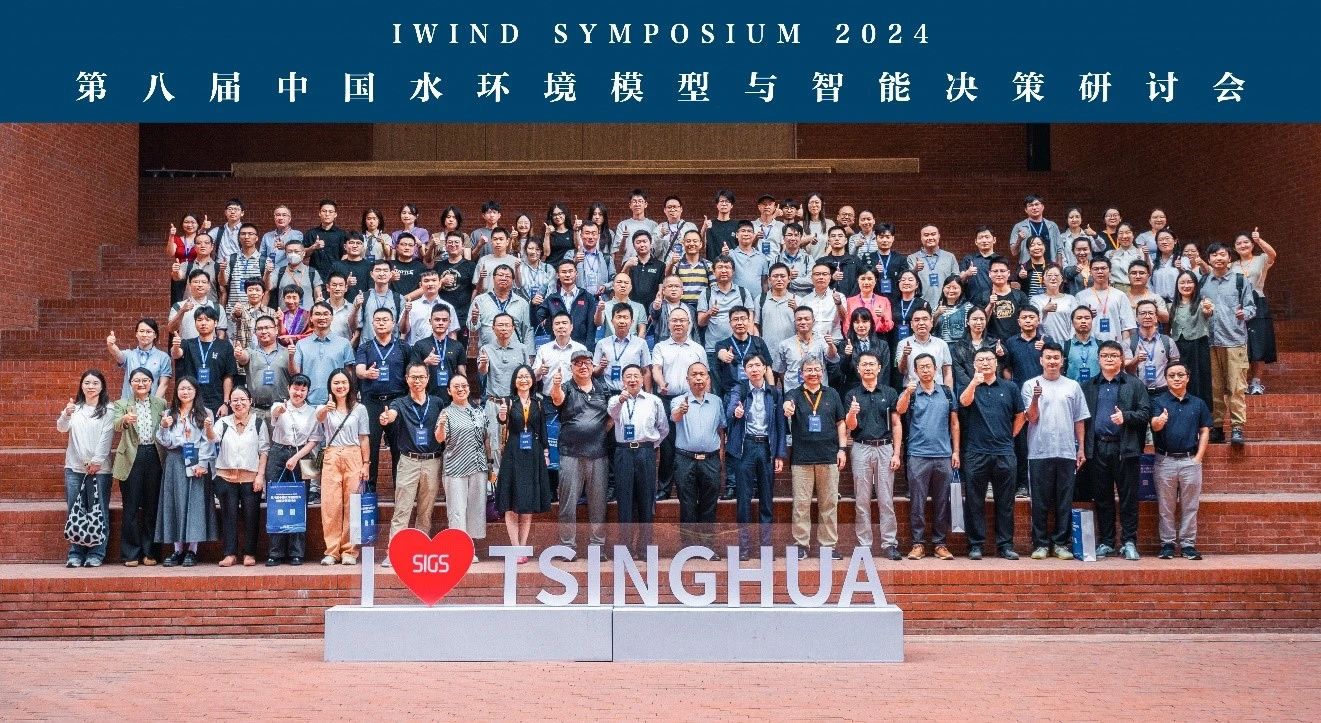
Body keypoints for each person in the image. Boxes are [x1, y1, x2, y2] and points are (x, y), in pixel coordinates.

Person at [1082, 341, 1152, 560]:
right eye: (1105, 355)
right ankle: (1106, 542)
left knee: (1128, 497)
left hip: (1126, 448)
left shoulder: (1134, 384)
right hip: (1097, 448)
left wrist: (1126, 417)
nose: (1109, 359)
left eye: (1114, 355)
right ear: (1098, 359)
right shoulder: (1089, 386)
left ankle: (1129, 541)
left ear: (1122, 359)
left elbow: (1145, 413)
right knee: (1102, 497)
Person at [1022, 343, 1089, 560]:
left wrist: (1081, 448)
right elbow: (1031, 418)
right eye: (1048, 357)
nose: (1052, 361)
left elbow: (1079, 419)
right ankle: (1040, 544)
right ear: (1041, 360)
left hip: (1067, 451)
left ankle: (1061, 543)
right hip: (1039, 451)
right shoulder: (1030, 385)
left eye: (1056, 358)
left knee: (1064, 501)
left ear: (1062, 361)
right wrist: (1035, 398)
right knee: (1039, 501)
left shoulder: (1072, 386)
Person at [958, 348, 1025, 560]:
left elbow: (1020, 415)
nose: (985, 363)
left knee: (1005, 502)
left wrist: (1009, 436)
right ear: (974, 364)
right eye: (980, 360)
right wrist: (974, 383)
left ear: (996, 363)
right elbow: (964, 402)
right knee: (974, 501)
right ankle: (975, 545)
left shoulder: (1010, 387)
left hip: (1004, 452)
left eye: (989, 359)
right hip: (975, 452)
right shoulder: (969, 386)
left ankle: (1005, 545)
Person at [379, 364, 446, 566]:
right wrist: (387, 417)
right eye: (413, 377)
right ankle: (394, 553)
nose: (417, 381)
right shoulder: (400, 403)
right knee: (402, 509)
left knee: (426, 510)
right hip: (408, 461)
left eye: (421, 377)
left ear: (428, 378)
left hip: (432, 461)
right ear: (407, 379)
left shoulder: (437, 403)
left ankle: (420, 551)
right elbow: (392, 414)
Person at [895, 354, 961, 560]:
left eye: (929, 366)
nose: (925, 370)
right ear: (915, 371)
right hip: (917, 455)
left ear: (936, 368)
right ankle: (918, 544)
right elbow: (899, 410)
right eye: (921, 367)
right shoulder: (912, 393)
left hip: (943, 455)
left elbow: (954, 423)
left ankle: (940, 544)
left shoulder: (947, 392)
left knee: (942, 502)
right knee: (917, 502)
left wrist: (956, 451)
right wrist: (907, 392)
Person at [783, 357, 848, 560]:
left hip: (829, 456)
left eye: (816, 369)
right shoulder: (794, 394)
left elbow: (840, 423)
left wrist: (842, 449)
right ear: (801, 373)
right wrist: (787, 408)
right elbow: (787, 404)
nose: (813, 373)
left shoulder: (832, 394)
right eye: (808, 370)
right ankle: (801, 545)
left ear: (822, 372)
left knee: (829, 504)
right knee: (801, 505)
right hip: (801, 459)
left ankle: (828, 546)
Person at [306, 370, 370, 566]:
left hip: (353, 455)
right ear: (330, 386)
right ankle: (332, 551)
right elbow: (318, 418)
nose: (340, 386)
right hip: (332, 455)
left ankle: (350, 550)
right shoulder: (324, 408)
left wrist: (366, 464)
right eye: (336, 383)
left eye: (344, 382)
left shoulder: (360, 409)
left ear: (350, 385)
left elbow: (364, 437)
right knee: (331, 505)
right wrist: (326, 409)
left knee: (353, 504)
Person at [842, 352, 903, 560]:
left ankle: (889, 543)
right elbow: (851, 427)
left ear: (879, 368)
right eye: (864, 365)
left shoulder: (889, 392)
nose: (868, 368)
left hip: (885, 448)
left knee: (886, 499)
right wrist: (852, 413)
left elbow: (896, 424)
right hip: (861, 448)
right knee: (862, 500)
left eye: (872, 364)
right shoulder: (852, 394)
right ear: (858, 369)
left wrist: (896, 453)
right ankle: (864, 544)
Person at [550, 350, 612, 553]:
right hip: (571, 454)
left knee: (598, 504)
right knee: (567, 503)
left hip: (598, 454)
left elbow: (613, 415)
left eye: (586, 362)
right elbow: (557, 400)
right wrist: (556, 385)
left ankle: (597, 547)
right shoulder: (566, 387)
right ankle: (567, 546)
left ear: (593, 366)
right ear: (571, 367)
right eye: (578, 363)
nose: (583, 366)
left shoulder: (603, 388)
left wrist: (599, 431)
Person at [725, 354, 785, 560]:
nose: (754, 369)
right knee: (743, 500)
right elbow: (730, 411)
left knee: (767, 500)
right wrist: (736, 412)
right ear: (745, 370)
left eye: (758, 365)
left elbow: (780, 426)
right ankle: (744, 548)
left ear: (765, 368)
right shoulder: (740, 390)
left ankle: (766, 548)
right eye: (750, 366)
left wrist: (779, 454)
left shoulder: (774, 393)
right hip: (746, 448)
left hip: (767, 447)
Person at [1150, 362, 1212, 561]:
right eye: (1172, 375)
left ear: (1188, 378)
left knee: (1190, 506)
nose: (1176, 378)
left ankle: (1188, 545)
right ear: (1166, 379)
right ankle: (1167, 544)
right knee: (1165, 507)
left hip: (1190, 461)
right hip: (1165, 461)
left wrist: (1198, 458)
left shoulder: (1198, 403)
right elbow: (1154, 425)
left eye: (1180, 375)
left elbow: (1204, 431)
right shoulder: (1158, 402)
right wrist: (1159, 422)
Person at [155, 376, 217, 568]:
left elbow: (208, 440)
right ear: (177, 392)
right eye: (182, 388)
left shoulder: (205, 413)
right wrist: (163, 427)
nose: (185, 392)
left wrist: (203, 463)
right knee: (176, 503)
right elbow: (164, 442)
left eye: (189, 388)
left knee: (195, 504)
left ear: (196, 391)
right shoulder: (169, 413)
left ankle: (192, 549)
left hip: (197, 459)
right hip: (175, 460)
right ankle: (177, 549)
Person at [608, 364, 669, 556]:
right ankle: (625, 548)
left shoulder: (654, 401)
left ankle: (644, 548)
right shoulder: (615, 400)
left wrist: (650, 446)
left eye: (636, 376)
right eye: (628, 376)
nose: (632, 379)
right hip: (623, 453)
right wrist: (621, 399)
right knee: (624, 501)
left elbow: (663, 428)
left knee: (646, 500)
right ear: (623, 381)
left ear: (643, 380)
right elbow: (612, 414)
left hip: (645, 452)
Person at [56, 370, 116, 568]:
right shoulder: (75, 408)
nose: (91, 386)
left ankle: (96, 553)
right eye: (87, 383)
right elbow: (61, 428)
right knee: (75, 510)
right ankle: (76, 553)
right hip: (74, 468)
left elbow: (106, 438)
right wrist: (66, 414)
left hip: (100, 470)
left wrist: (96, 461)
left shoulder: (109, 409)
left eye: (95, 383)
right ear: (81, 386)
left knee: (98, 511)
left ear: (102, 386)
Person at [493, 365, 553, 559]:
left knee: (527, 502)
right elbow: (502, 422)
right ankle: (515, 547)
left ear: (532, 380)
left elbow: (543, 429)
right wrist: (502, 415)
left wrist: (546, 452)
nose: (524, 380)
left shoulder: (538, 402)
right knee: (511, 503)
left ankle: (523, 547)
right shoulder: (508, 401)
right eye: (520, 377)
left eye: (527, 376)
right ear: (514, 381)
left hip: (533, 453)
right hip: (513, 452)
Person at [111, 368, 168, 566]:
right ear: (130, 383)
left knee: (152, 505)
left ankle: (150, 552)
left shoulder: (160, 403)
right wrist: (124, 420)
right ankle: (131, 553)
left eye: (145, 380)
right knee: (131, 506)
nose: (141, 384)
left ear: (152, 383)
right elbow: (115, 425)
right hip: (131, 456)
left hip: (154, 454)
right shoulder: (121, 404)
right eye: (136, 380)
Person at [207, 387, 269, 568]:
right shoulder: (223, 422)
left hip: (251, 478)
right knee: (228, 517)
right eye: (234, 400)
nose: (238, 403)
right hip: (226, 477)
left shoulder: (259, 423)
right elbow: (213, 438)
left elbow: (264, 451)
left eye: (242, 399)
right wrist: (208, 428)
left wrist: (260, 476)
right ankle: (230, 554)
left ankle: (249, 553)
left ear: (250, 402)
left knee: (251, 516)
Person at [1202, 242, 1256, 445]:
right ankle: (1217, 428)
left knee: (1236, 387)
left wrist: (1245, 313)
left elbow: (1251, 307)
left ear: (1229, 258)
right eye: (1214, 255)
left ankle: (1237, 428)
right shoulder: (1203, 281)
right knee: (1214, 388)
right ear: (1209, 259)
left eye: (1222, 254)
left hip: (1235, 341)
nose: (1218, 258)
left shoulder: (1240, 281)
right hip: (1211, 342)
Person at [650, 307, 706, 501]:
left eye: (682, 320)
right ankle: (664, 488)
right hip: (667, 399)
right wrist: (660, 383)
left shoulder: (698, 349)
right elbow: (656, 369)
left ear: (689, 324)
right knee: (667, 446)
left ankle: (692, 488)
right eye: (674, 320)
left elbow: (705, 375)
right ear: (668, 324)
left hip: (693, 400)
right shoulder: (660, 347)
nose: (678, 324)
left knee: (692, 443)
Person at [670, 362, 725, 554]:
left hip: (710, 460)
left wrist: (721, 457)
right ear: (688, 379)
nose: (699, 378)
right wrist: (681, 410)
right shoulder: (678, 401)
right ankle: (689, 549)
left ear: (708, 378)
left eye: (702, 374)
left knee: (710, 504)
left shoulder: (716, 401)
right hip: (685, 460)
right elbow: (675, 417)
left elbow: (721, 429)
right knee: (687, 505)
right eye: (694, 374)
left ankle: (707, 548)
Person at [265, 374, 317, 566]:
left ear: (307, 392)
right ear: (289, 388)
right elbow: (275, 414)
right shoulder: (279, 405)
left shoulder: (312, 412)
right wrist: (280, 410)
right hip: (278, 453)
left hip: (300, 454)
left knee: (298, 502)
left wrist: (295, 458)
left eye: (303, 390)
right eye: (296, 388)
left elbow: (313, 440)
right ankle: (275, 552)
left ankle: (297, 552)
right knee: (276, 500)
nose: (299, 392)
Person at [355, 308, 408, 492]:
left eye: (385, 319)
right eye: (377, 320)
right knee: (371, 447)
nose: (381, 323)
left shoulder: (403, 347)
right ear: (372, 324)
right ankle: (369, 492)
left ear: (393, 323)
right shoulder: (365, 347)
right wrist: (366, 373)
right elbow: (359, 370)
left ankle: (400, 491)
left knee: (398, 448)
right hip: (372, 402)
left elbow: (410, 372)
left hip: (397, 402)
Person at [478, 314, 529, 481]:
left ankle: (516, 481)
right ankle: (496, 483)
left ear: (513, 328)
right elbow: (482, 373)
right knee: (494, 444)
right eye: (500, 325)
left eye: (507, 325)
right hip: (494, 402)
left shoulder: (522, 349)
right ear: (493, 328)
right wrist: (483, 364)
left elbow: (527, 375)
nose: (504, 328)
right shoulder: (486, 349)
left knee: (517, 441)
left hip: (516, 403)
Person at [1232, 229, 1277, 395]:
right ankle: (1242, 382)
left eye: (1246, 242)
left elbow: (1272, 254)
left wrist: (1259, 240)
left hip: (1258, 301)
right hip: (1238, 305)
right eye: (1238, 243)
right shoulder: (1232, 265)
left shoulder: (1261, 259)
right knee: (1241, 343)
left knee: (1259, 342)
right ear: (1234, 248)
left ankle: (1256, 382)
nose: (1242, 245)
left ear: (1252, 245)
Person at [698, 257, 757, 383]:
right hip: (713, 349)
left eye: (727, 267)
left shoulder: (743, 292)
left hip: (738, 348)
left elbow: (750, 322)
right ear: (713, 271)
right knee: (716, 387)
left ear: (733, 271)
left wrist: (748, 345)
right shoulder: (706, 293)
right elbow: (700, 322)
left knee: (740, 386)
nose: (723, 270)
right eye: (720, 267)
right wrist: (709, 313)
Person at [172, 305, 236, 415]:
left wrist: (226, 403)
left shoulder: (225, 346)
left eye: (208, 319)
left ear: (215, 323)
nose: (203, 323)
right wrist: (176, 346)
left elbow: (228, 376)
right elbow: (176, 354)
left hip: (216, 402)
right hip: (190, 402)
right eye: (199, 320)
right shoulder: (187, 343)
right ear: (195, 323)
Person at [291, 301, 356, 406]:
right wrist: (291, 356)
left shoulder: (344, 343)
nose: (322, 317)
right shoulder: (301, 344)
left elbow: (349, 374)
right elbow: (295, 373)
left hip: (336, 403)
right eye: (317, 314)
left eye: (326, 314)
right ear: (311, 318)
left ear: (332, 317)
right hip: (308, 404)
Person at [1169, 270, 1214, 411]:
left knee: (1199, 381)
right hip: (1178, 348)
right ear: (1177, 285)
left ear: (1195, 285)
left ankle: (1201, 414)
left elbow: (1208, 311)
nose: (1186, 285)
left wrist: (1208, 309)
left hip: (1198, 347)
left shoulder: (1202, 303)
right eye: (1182, 282)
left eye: (1190, 282)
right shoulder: (1172, 305)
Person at [774, 306, 842, 393]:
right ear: (795, 322)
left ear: (813, 321)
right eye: (799, 319)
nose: (803, 322)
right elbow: (781, 370)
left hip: (818, 391)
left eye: (807, 319)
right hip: (793, 391)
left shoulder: (822, 340)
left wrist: (831, 345)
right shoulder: (785, 345)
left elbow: (832, 357)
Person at [234, 315, 291, 417]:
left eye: (267, 328)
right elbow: (243, 358)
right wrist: (239, 354)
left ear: (276, 330)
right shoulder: (251, 352)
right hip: (256, 410)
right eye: (259, 329)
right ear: (255, 333)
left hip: (281, 409)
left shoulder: (287, 353)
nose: (263, 331)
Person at [410, 305, 467, 404]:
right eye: (437, 320)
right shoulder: (420, 345)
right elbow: (411, 373)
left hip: (451, 398)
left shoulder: (457, 346)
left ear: (449, 322)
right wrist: (425, 363)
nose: (441, 323)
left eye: (444, 320)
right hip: (426, 398)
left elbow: (462, 373)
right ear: (430, 321)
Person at [106, 318, 173, 400]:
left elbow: (164, 384)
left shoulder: (163, 357)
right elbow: (118, 355)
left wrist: (155, 404)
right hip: (128, 404)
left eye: (148, 332)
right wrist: (111, 345)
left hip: (152, 404)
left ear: (155, 335)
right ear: (136, 334)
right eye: (141, 331)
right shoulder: (129, 355)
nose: (144, 335)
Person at [1125, 300, 1180, 395]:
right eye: (1143, 313)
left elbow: (1175, 369)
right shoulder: (1129, 342)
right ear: (1137, 318)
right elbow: (1127, 370)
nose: (1147, 316)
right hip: (1138, 393)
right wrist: (1136, 360)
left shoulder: (1168, 341)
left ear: (1156, 317)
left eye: (1150, 313)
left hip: (1163, 392)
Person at [538, 260, 597, 349]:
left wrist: (588, 349)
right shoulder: (552, 299)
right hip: (558, 347)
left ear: (576, 274)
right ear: (557, 275)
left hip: (581, 347)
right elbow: (538, 317)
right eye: (564, 272)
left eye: (570, 271)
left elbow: (591, 326)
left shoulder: (587, 297)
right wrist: (534, 305)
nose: (567, 275)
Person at [594, 304, 653, 392]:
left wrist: (648, 395)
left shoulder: (641, 343)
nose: (622, 321)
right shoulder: (602, 343)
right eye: (618, 317)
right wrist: (601, 367)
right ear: (612, 321)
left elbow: (646, 371)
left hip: (632, 392)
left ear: (632, 322)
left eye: (625, 317)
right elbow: (594, 372)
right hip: (608, 392)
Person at [1076, 258, 1135, 344]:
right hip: (1089, 345)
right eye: (1096, 269)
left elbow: (1127, 326)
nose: (1100, 271)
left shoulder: (1120, 295)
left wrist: (1124, 346)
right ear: (1090, 272)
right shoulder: (1081, 296)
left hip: (1114, 345)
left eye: (1103, 268)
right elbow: (1075, 325)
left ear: (1110, 271)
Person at [894, 308, 953, 388]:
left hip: (938, 390)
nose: (921, 323)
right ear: (911, 324)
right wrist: (905, 355)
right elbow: (902, 371)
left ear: (931, 322)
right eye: (917, 320)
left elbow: (947, 372)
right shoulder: (903, 344)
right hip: (912, 390)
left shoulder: (942, 344)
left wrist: (949, 393)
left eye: (925, 319)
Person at [533, 312, 589, 397]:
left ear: (571, 327)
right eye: (557, 324)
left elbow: (587, 375)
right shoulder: (543, 349)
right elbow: (533, 376)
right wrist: (539, 371)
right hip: (549, 398)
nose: (561, 326)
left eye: (564, 323)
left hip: (575, 398)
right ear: (553, 328)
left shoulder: (581, 349)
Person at [838, 308, 891, 393]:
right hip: (854, 390)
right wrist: (847, 356)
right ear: (852, 325)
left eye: (864, 321)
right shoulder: (844, 345)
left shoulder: (882, 345)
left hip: (878, 390)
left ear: (871, 323)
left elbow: (885, 371)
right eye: (857, 322)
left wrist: (876, 388)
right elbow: (843, 371)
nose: (861, 325)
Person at [908, 225, 961, 309]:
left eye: (933, 234)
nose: (930, 238)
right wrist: (915, 270)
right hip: (921, 305)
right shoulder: (912, 258)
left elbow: (957, 281)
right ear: (921, 238)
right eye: (926, 235)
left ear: (939, 236)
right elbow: (908, 282)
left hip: (946, 305)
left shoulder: (949, 257)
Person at [168, 270, 229, 341]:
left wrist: (216, 346)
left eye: (204, 282)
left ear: (209, 286)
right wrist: (182, 311)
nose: (200, 285)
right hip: (186, 346)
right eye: (196, 282)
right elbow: (171, 329)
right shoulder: (178, 306)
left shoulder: (217, 307)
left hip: (210, 347)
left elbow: (221, 333)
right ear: (189, 285)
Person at [264, 239, 323, 311]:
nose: (293, 254)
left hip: (307, 315)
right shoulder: (279, 272)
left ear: (303, 253)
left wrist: (318, 304)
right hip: (284, 315)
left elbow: (318, 295)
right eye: (289, 252)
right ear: (286, 254)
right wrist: (267, 273)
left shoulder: (312, 272)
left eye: (296, 251)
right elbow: (268, 287)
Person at [227, 279, 278, 363]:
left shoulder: (271, 312)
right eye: (250, 290)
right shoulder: (240, 309)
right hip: (243, 353)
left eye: (257, 290)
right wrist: (237, 312)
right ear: (246, 292)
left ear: (263, 293)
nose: (254, 293)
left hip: (266, 355)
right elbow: (234, 317)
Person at [951, 307, 998, 391]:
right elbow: (960, 374)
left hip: (992, 389)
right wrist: (974, 386)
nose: (978, 322)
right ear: (967, 322)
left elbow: (1001, 368)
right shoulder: (958, 347)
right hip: (968, 390)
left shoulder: (994, 343)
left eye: (982, 319)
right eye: (975, 319)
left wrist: (1002, 354)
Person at [1009, 195, 1066, 265]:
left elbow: (1059, 249)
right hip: (1028, 268)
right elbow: (1014, 252)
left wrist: (1059, 266)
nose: (1034, 208)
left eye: (1037, 204)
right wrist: (1019, 240)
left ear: (1043, 207)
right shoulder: (1019, 227)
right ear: (1026, 210)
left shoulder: (1052, 226)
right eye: (1030, 205)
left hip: (1049, 267)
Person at [303, 199, 347, 285]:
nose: (327, 214)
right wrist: (313, 247)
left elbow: (345, 254)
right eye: (324, 211)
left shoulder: (342, 234)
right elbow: (303, 255)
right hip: (314, 275)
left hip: (335, 277)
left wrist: (339, 270)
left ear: (335, 214)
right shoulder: (311, 233)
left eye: (330, 212)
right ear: (319, 213)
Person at [1030, 267, 1078, 345]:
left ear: (1062, 279)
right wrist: (1044, 311)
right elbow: (1032, 322)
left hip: (1067, 343)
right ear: (1043, 279)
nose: (1053, 278)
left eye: (1056, 275)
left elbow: (1075, 322)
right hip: (1044, 345)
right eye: (1049, 275)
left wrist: (1071, 341)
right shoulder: (1035, 299)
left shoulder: (1070, 299)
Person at [984, 258, 1028, 342]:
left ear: (1008, 273)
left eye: (1002, 271)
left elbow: (1027, 319)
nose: (999, 274)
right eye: (995, 271)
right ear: (989, 274)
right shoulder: (983, 296)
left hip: (1016, 342)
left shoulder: (1020, 295)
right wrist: (990, 305)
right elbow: (979, 321)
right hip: (991, 343)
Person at [845, 268, 896, 341]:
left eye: (870, 279)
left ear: (875, 281)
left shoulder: (884, 301)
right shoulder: (850, 301)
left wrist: (884, 316)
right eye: (863, 279)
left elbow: (889, 326)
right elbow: (847, 325)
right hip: (855, 339)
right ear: (858, 280)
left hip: (878, 339)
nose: (866, 282)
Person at [758, 264, 797, 353]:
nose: (779, 279)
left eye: (782, 276)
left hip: (792, 351)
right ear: (769, 280)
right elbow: (756, 325)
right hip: (767, 351)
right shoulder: (760, 299)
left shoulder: (797, 300)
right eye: (775, 276)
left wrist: (796, 309)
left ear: (789, 279)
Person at [615, 189, 661, 262]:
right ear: (630, 205)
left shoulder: (654, 225)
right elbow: (620, 252)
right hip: (629, 263)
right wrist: (624, 238)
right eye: (634, 201)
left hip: (648, 264)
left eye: (640, 201)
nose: (637, 204)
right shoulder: (623, 225)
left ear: (645, 204)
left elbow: (656, 249)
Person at [621, 230, 665, 306]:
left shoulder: (660, 265)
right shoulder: (628, 264)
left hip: (652, 307)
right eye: (638, 242)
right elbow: (621, 282)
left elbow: (661, 289)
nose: (642, 245)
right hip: (631, 307)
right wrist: (626, 266)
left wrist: (656, 306)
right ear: (634, 246)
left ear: (651, 244)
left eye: (645, 241)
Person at [729, 220, 772, 291]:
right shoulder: (730, 255)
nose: (746, 234)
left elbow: (764, 282)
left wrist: (764, 296)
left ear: (754, 235)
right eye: (743, 231)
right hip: (737, 297)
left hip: (757, 297)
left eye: (749, 231)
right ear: (737, 235)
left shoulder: (761, 257)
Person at [1063, 306, 1101, 384]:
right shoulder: (1065, 346)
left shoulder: (1101, 345)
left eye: (1087, 318)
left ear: (1092, 321)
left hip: (1095, 389)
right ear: (1072, 322)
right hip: (1072, 389)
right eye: (1079, 318)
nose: (1083, 321)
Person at [932, 275, 974, 344]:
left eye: (955, 288)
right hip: (940, 347)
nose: (951, 290)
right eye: (948, 287)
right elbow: (930, 328)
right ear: (943, 289)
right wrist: (937, 314)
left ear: (961, 290)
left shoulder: (968, 307)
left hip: (961, 346)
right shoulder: (936, 308)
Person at [702, 189, 740, 261]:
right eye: (721, 201)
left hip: (731, 265)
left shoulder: (737, 225)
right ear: (717, 205)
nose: (724, 204)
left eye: (727, 201)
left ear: (731, 205)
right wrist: (704, 229)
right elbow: (701, 245)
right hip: (712, 264)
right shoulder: (710, 224)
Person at [1106, 222, 1145, 292]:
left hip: (1136, 291)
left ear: (1133, 235)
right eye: (1121, 233)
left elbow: (1149, 273)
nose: (1124, 236)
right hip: (1115, 291)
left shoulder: (1142, 253)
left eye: (1128, 232)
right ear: (1117, 236)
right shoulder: (1110, 254)